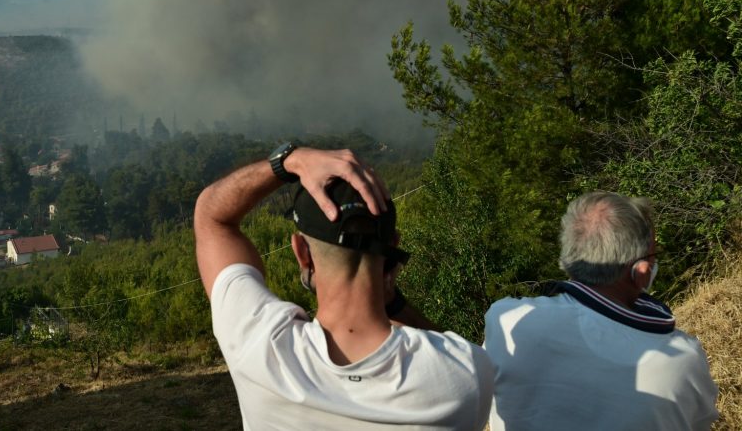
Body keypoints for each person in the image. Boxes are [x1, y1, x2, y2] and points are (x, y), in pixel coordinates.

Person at [194, 143, 494, 430]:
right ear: (392, 247)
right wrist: (393, 302)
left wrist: (288, 160)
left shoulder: (258, 346)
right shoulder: (464, 376)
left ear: (302, 253)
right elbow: (446, 351)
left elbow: (212, 217)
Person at [483, 191, 719, 430]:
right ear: (642, 269)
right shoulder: (684, 360)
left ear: (569, 255)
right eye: (653, 255)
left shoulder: (505, 320)